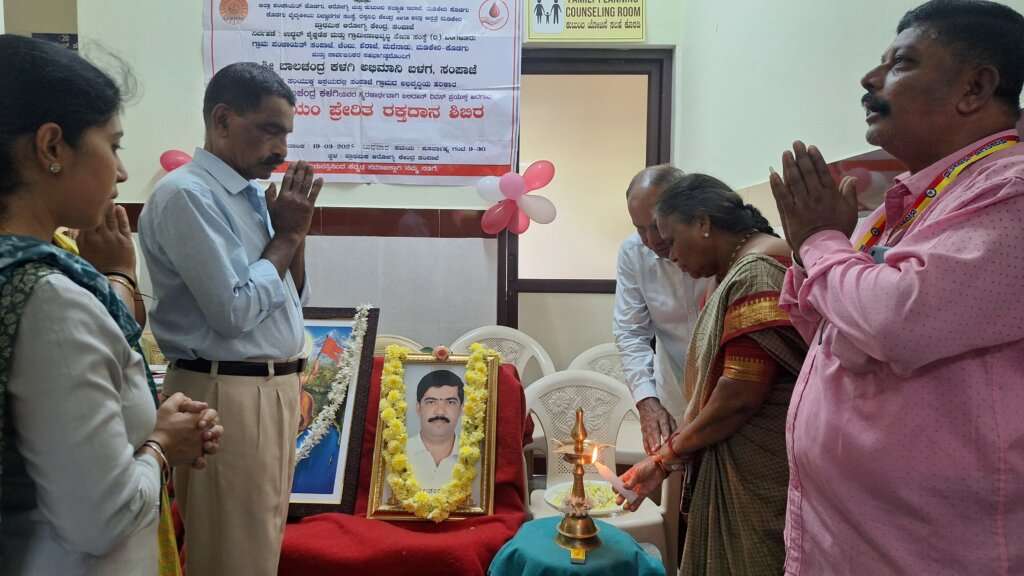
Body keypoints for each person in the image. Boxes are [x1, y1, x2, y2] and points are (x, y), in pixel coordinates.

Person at [768, 1, 1024, 572]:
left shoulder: (1009, 189)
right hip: (845, 542)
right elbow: (837, 335)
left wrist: (818, 241)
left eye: (901, 62)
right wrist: (819, 261)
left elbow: (897, 321)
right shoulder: (914, 198)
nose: (870, 78)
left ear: (975, 87)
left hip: (930, 552)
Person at [0, 35, 222, 575]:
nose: (121, 172)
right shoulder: (48, 300)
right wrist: (164, 444)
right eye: (114, 145)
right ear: (52, 148)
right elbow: (101, 519)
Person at [139, 62, 321, 576]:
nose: (282, 149)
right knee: (232, 559)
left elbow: (292, 298)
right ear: (222, 120)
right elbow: (235, 311)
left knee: (257, 553)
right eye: (269, 130)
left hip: (270, 391)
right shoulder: (187, 195)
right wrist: (286, 237)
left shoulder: (249, 195)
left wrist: (294, 235)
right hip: (225, 394)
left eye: (286, 134)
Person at [617, 174, 808, 575]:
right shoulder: (735, 268)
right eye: (645, 231)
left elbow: (738, 397)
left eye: (670, 239)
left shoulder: (755, 273)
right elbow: (631, 332)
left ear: (703, 224)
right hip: (712, 432)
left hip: (759, 459)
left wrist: (664, 459)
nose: (667, 252)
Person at [614, 165, 710, 455]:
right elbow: (630, 332)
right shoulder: (633, 252)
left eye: (656, 226)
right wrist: (646, 400)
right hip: (673, 395)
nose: (650, 240)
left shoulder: (715, 245)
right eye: (639, 228)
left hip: (730, 392)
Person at [407, 370, 464, 491]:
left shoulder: (476, 457)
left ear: (461, 409)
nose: (440, 412)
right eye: (431, 402)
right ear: (418, 408)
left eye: (450, 402)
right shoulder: (398, 452)